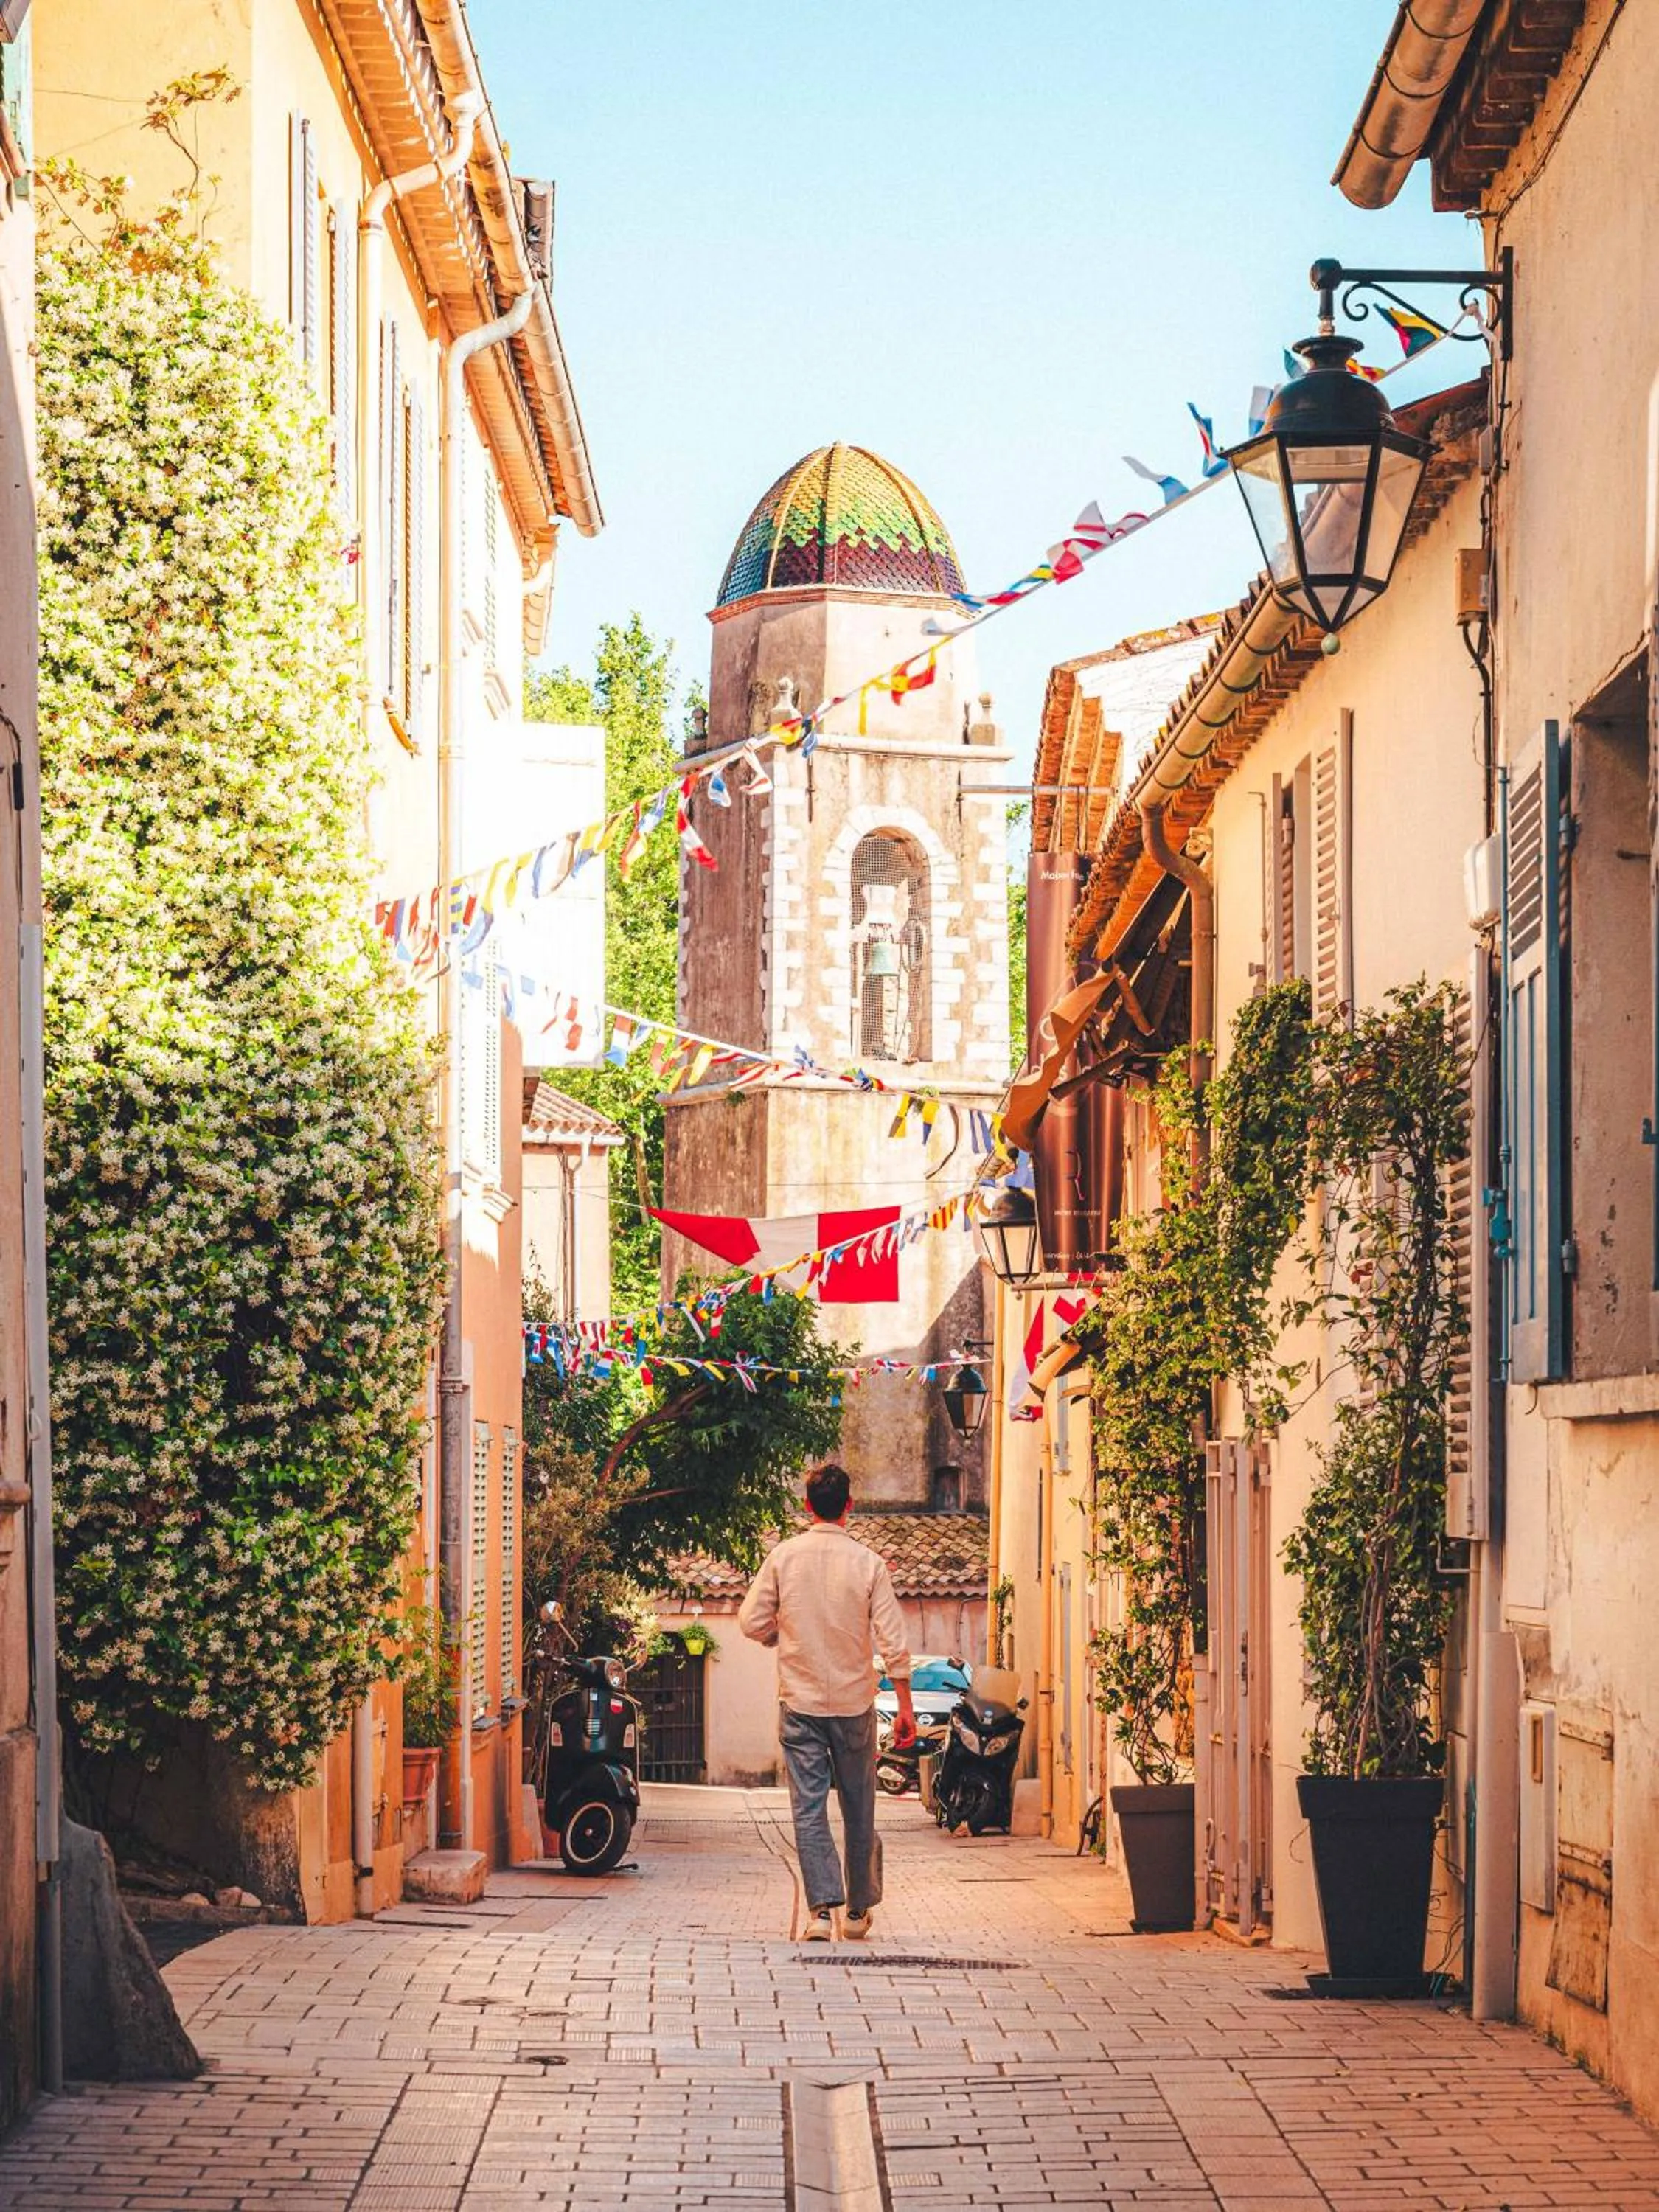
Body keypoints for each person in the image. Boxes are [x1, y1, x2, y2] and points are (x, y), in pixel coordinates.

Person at [738, 1463, 916, 1941]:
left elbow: (750, 1621)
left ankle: (820, 1911)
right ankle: (857, 1910)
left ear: (807, 1505)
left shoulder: (784, 1558)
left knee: (808, 1806)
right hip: (855, 1703)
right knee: (860, 1804)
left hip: (800, 1702)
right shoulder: (868, 1563)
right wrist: (904, 1705)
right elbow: (893, 1639)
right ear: (849, 1507)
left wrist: (782, 1634)